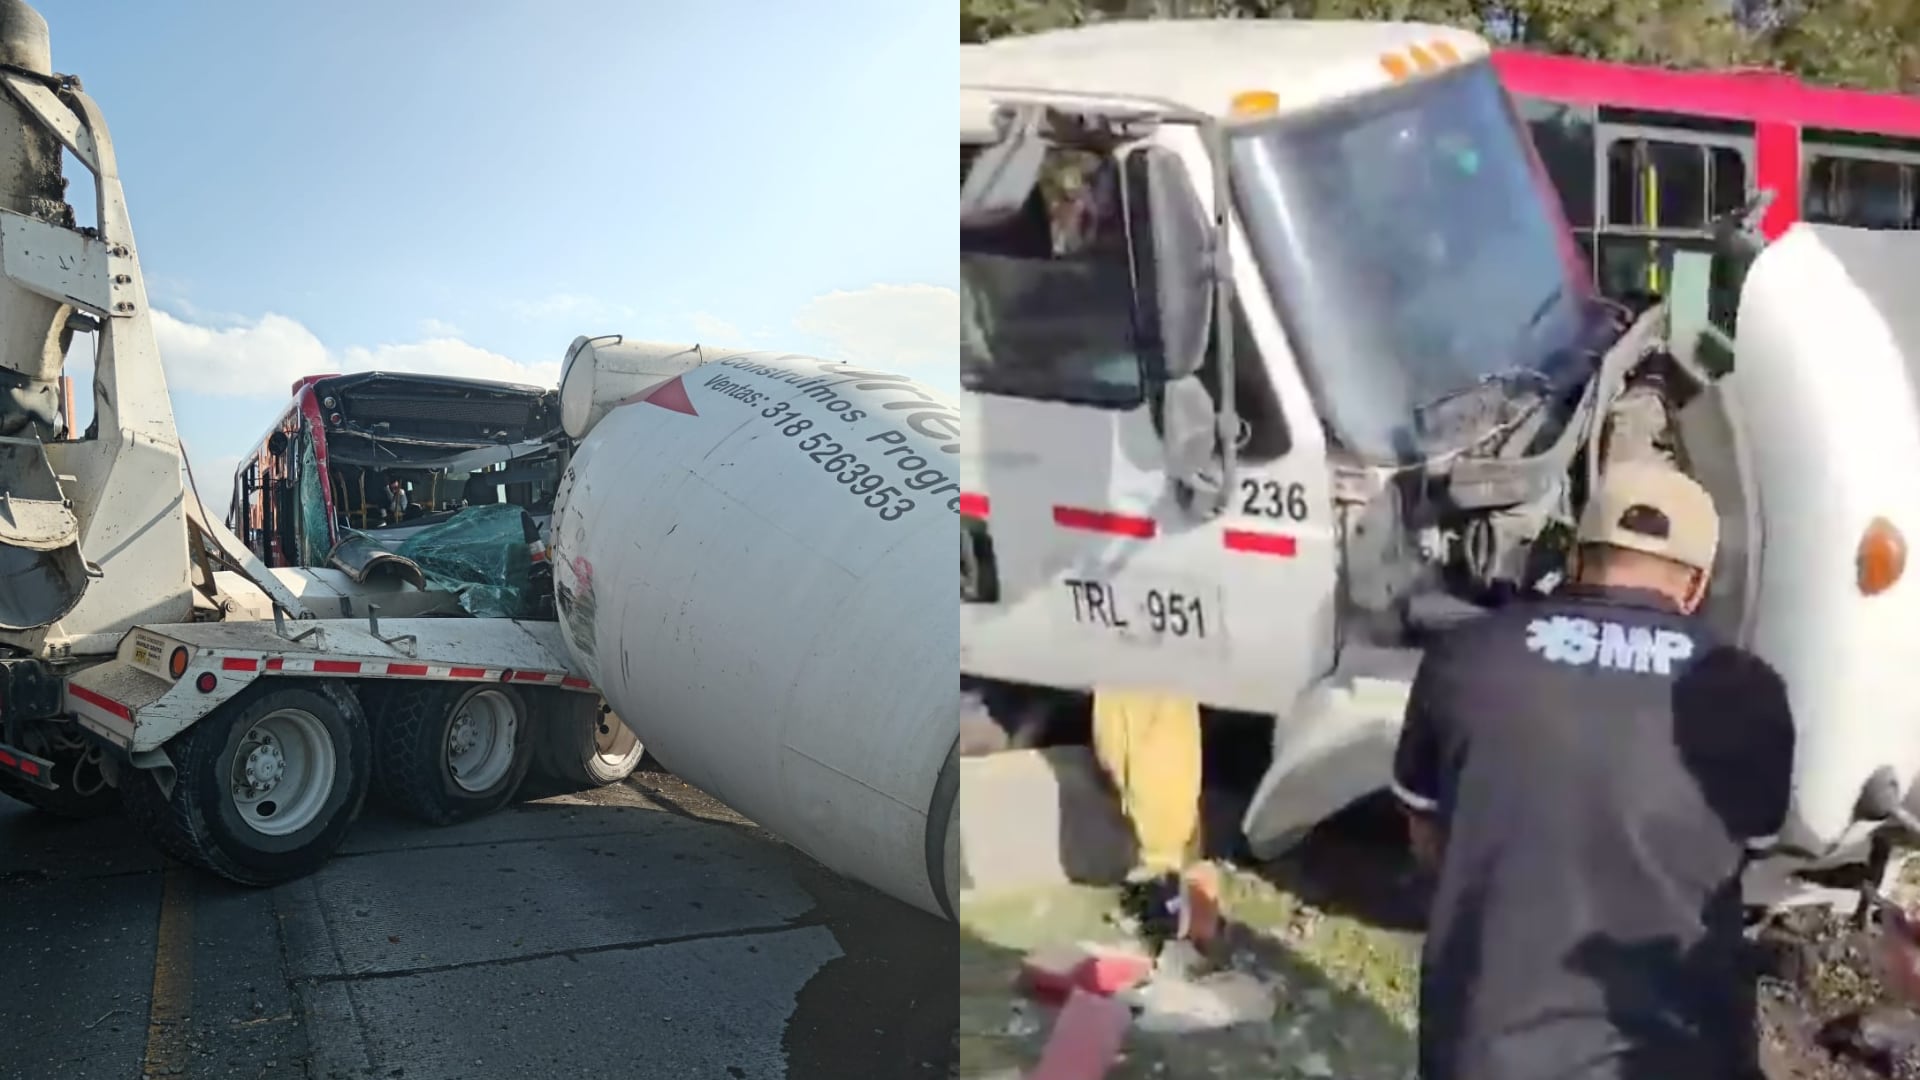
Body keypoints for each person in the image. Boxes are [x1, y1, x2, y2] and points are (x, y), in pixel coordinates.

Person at [1392, 461, 1797, 1080]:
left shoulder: (1466, 656)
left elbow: (1426, 836)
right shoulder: (1752, 694)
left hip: (1489, 1053)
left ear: (1578, 559)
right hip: (1677, 1057)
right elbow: (1740, 858)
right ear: (1695, 586)